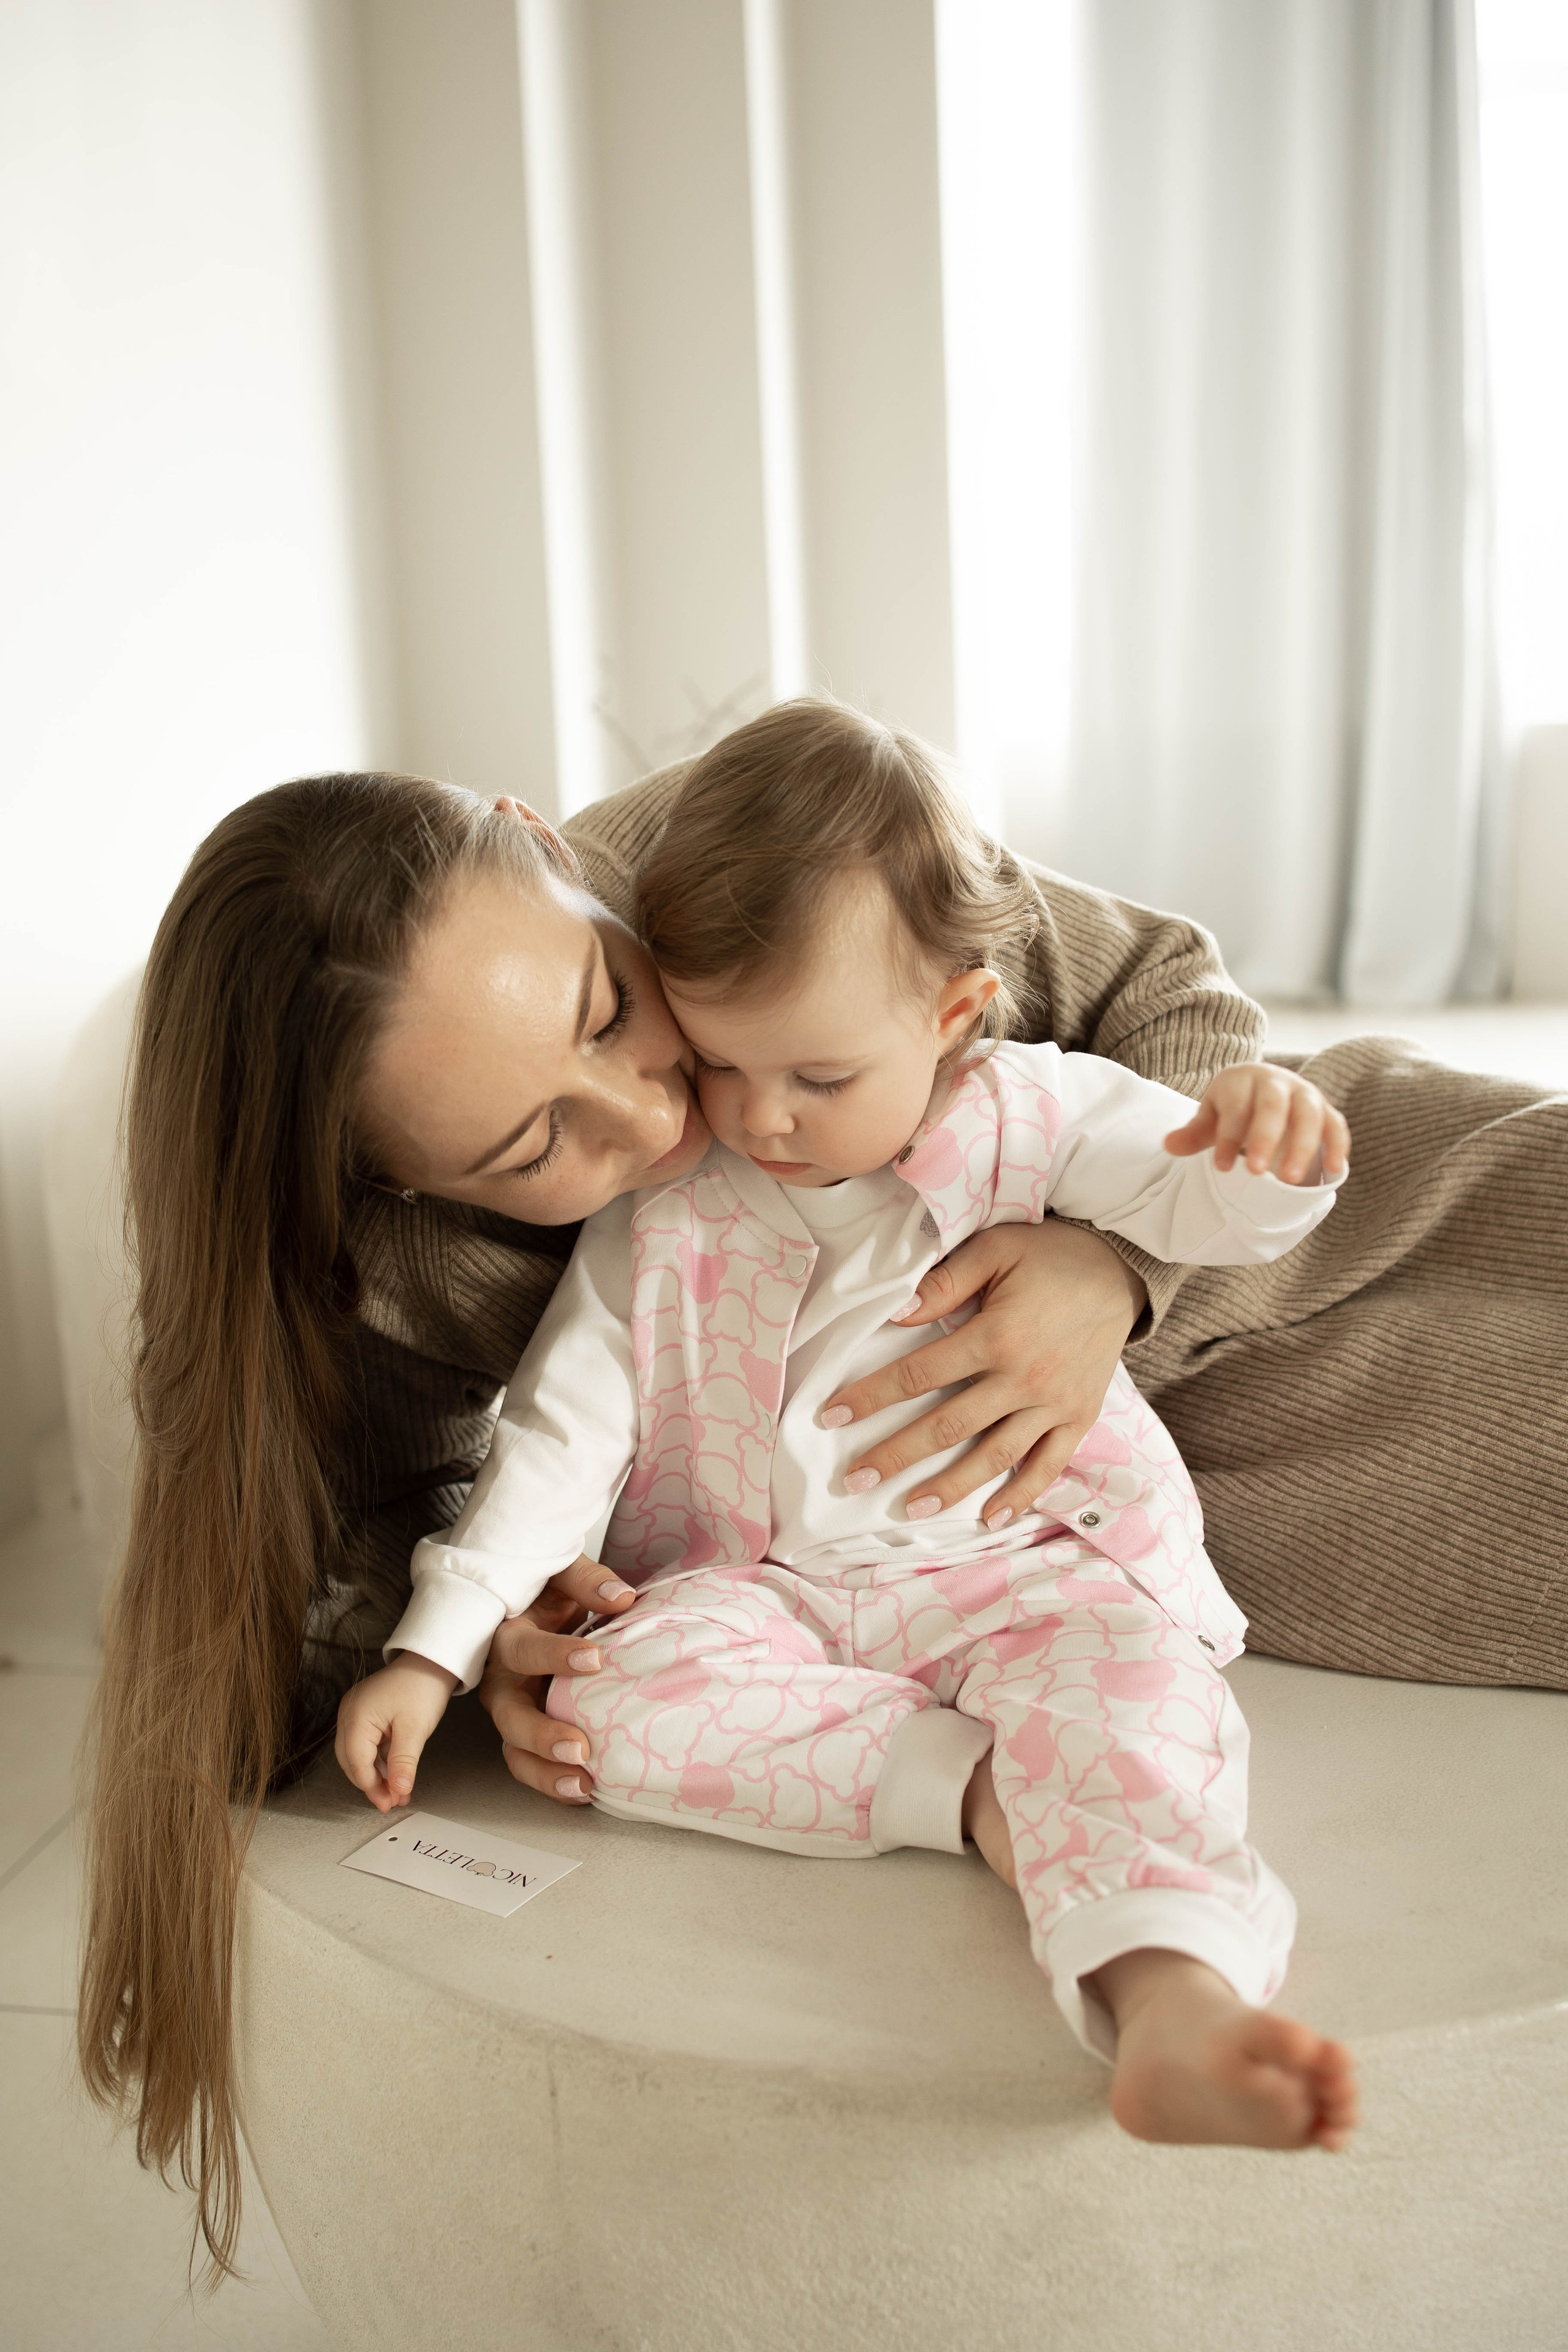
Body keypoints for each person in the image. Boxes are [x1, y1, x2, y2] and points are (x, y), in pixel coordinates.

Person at [79, 710, 1564, 2269]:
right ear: (393, 1183)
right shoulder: (405, 1270)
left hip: (1228, 1272)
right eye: (535, 1147)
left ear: (539, 843)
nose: (667, 1122)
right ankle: (1110, 1913)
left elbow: (1167, 1006)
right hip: (971, 1527)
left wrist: (1108, 1269)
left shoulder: (756, 856)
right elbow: (387, 1548)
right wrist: (475, 1634)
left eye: (610, 1013)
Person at [335, 701, 1359, 2152]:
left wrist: (1263, 1152)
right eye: (720, 1059)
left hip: (1024, 1559)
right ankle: (978, 1786)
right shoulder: (653, 1213)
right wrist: (432, 1651)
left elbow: (1191, 1194)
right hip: (760, 1593)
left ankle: (1171, 1994)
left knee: (1132, 1694)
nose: (754, 1120)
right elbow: (557, 1441)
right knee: (600, 1702)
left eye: (818, 1078)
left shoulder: (1028, 1111)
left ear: (950, 1015)